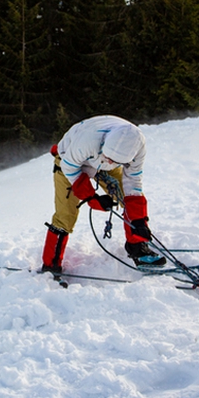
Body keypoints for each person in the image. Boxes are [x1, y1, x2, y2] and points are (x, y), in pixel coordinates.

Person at [41, 115, 165, 279]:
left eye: (114, 160)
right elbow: (70, 169)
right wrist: (92, 198)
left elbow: (133, 182)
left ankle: (137, 246)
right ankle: (51, 265)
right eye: (108, 156)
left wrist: (138, 220)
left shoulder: (137, 147)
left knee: (129, 199)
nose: (109, 159)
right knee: (66, 215)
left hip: (103, 165)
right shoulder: (87, 142)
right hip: (69, 163)